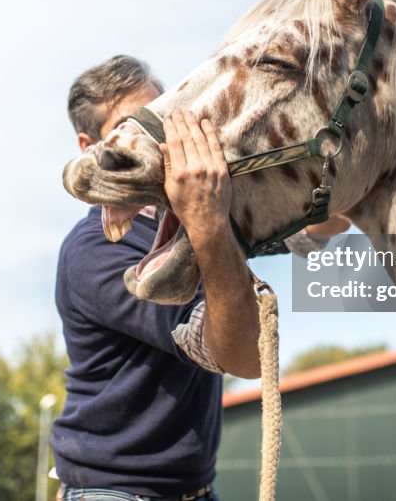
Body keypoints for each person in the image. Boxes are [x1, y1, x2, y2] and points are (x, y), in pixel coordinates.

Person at [53, 55, 348, 501]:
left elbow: (328, 222)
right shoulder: (94, 250)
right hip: (114, 492)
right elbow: (244, 357)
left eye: (164, 120)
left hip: (195, 490)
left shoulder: (187, 220)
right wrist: (208, 218)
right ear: (87, 146)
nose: (157, 140)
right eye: (129, 126)